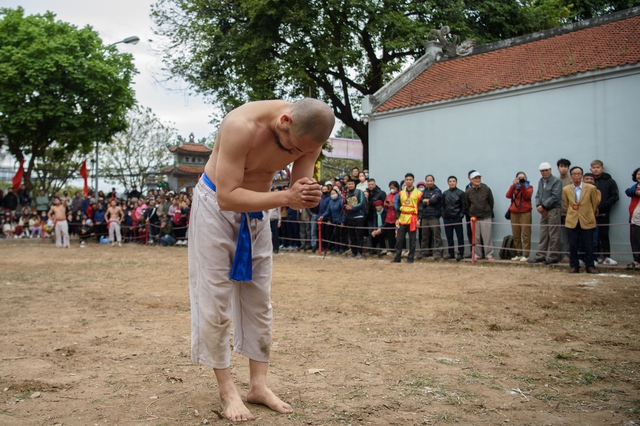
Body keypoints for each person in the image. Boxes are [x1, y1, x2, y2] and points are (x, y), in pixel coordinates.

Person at [188, 98, 334, 422]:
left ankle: (258, 385)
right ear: (284, 121)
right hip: (216, 206)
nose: (295, 155)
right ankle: (228, 390)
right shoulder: (240, 126)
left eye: (305, 152)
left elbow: (299, 196)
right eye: (293, 148)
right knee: (214, 300)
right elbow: (227, 196)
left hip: (260, 211)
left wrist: (307, 195)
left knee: (259, 301)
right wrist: (286, 197)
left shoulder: (308, 138)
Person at [564, 167, 599, 274]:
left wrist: (588, 213)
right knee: (573, 244)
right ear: (571, 176)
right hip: (572, 220)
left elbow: (594, 204)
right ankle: (574, 266)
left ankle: (590, 265)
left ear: (582, 175)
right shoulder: (566, 189)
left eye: (579, 174)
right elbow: (567, 203)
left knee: (588, 244)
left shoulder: (591, 188)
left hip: (587, 219)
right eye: (574, 174)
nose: (576, 176)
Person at [529, 162, 563, 264]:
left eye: (546, 170)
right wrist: (539, 206)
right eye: (542, 171)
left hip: (553, 209)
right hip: (543, 210)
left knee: (554, 234)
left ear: (550, 170)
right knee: (543, 233)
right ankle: (540, 255)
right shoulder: (541, 181)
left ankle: (553, 256)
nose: (544, 173)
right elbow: (538, 195)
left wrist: (543, 206)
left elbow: (555, 196)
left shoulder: (557, 181)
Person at [591, 160, 619, 265]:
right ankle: (596, 256)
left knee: (603, 234)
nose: (596, 169)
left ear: (602, 168)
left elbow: (615, 196)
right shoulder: (589, 180)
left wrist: (604, 205)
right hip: (591, 214)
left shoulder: (610, 181)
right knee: (593, 236)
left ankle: (607, 256)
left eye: (598, 167)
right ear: (591, 169)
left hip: (603, 213)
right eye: (594, 168)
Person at [392, 173, 423, 263]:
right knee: (399, 239)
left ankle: (410, 258)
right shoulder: (400, 193)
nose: (408, 181)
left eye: (410, 179)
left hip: (413, 218)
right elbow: (397, 207)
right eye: (407, 179)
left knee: (412, 240)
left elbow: (420, 208)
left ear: (413, 181)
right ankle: (397, 257)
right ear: (405, 181)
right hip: (402, 218)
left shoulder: (419, 193)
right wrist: (397, 218)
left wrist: (419, 219)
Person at [465, 171, 495, 260]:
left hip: (485, 216)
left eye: (479, 178)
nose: (478, 180)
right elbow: (467, 204)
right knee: (476, 237)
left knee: (487, 237)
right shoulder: (468, 191)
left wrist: (487, 211)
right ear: (471, 180)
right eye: (475, 178)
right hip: (474, 218)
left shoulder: (486, 189)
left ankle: (489, 254)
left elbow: (491, 202)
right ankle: (477, 254)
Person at [506, 171, 533, 261]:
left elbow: (526, 196)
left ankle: (526, 254)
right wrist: (513, 185)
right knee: (516, 234)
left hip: (525, 213)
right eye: (519, 177)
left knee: (526, 234)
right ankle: (518, 253)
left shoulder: (529, 187)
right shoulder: (514, 187)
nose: (521, 179)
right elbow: (508, 195)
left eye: (523, 177)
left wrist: (522, 186)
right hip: (514, 213)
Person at [418, 175, 443, 259]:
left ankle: (439, 252)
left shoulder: (437, 190)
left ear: (433, 181)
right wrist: (428, 201)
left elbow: (436, 199)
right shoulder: (423, 191)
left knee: (437, 236)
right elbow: (421, 202)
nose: (429, 182)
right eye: (427, 181)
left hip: (434, 217)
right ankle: (424, 251)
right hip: (425, 217)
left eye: (430, 180)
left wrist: (429, 200)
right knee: (424, 236)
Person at [442, 176, 467, 261]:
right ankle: (451, 253)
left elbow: (464, 206)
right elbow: (442, 206)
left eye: (453, 181)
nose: (452, 183)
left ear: (456, 182)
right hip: (447, 218)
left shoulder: (461, 193)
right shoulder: (445, 193)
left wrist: (461, 215)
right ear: (448, 183)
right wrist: (444, 214)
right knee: (449, 237)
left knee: (459, 236)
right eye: (450, 181)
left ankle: (460, 253)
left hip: (457, 218)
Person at [343, 178, 366, 258]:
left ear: (354, 184)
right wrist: (344, 199)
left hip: (358, 216)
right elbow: (343, 204)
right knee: (351, 235)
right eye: (349, 184)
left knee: (358, 235)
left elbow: (362, 203)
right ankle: (353, 251)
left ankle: (359, 252)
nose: (350, 185)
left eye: (352, 184)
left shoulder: (359, 192)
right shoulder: (346, 193)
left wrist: (352, 208)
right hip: (349, 216)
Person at [625, 167, 640, 270]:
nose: (639, 176)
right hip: (634, 218)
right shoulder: (635, 187)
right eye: (638, 174)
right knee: (635, 241)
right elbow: (628, 191)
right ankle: (637, 261)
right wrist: (636, 192)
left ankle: (637, 261)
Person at [383, 181, 399, 253]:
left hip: (397, 218)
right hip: (389, 218)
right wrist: (386, 204)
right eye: (391, 188)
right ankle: (391, 249)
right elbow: (384, 204)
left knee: (397, 234)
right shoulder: (388, 195)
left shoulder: (399, 194)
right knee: (390, 235)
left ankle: (398, 249)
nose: (392, 189)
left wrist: (393, 205)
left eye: (393, 188)